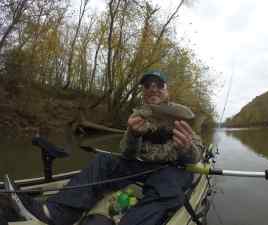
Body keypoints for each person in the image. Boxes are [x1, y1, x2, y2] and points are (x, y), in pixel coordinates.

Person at [6, 70, 204, 225]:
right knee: (104, 161)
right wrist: (134, 135)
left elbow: (196, 155)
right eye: (147, 85)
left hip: (170, 171)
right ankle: (55, 214)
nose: (153, 88)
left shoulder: (180, 113)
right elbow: (127, 153)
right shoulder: (139, 114)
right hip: (141, 167)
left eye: (159, 85)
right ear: (143, 92)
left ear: (167, 90)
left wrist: (186, 149)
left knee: (169, 186)